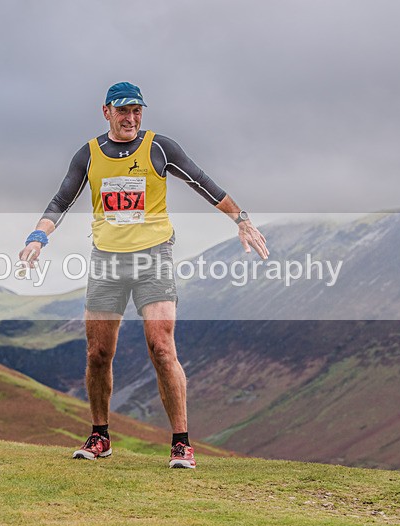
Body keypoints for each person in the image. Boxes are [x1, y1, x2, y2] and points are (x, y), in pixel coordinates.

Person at [18, 82, 268, 468]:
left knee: (161, 345)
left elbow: (203, 182)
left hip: (153, 257)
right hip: (107, 261)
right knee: (99, 353)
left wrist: (243, 220)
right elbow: (60, 201)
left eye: (137, 110)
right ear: (107, 112)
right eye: (123, 111)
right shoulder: (88, 155)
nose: (131, 118)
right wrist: (38, 238)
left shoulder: (160, 147)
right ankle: (100, 436)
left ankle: (181, 443)